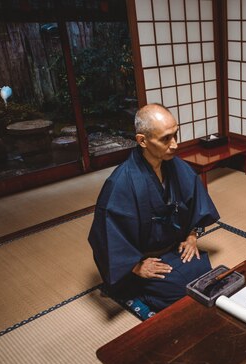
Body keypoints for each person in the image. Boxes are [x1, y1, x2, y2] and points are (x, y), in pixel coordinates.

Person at [88, 104, 220, 312]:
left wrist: (192, 236)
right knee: (180, 291)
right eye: (165, 139)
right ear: (142, 140)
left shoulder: (178, 167)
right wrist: (136, 266)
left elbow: (197, 205)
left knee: (204, 273)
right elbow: (105, 236)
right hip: (142, 258)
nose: (175, 145)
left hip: (175, 247)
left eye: (175, 135)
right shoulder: (121, 183)